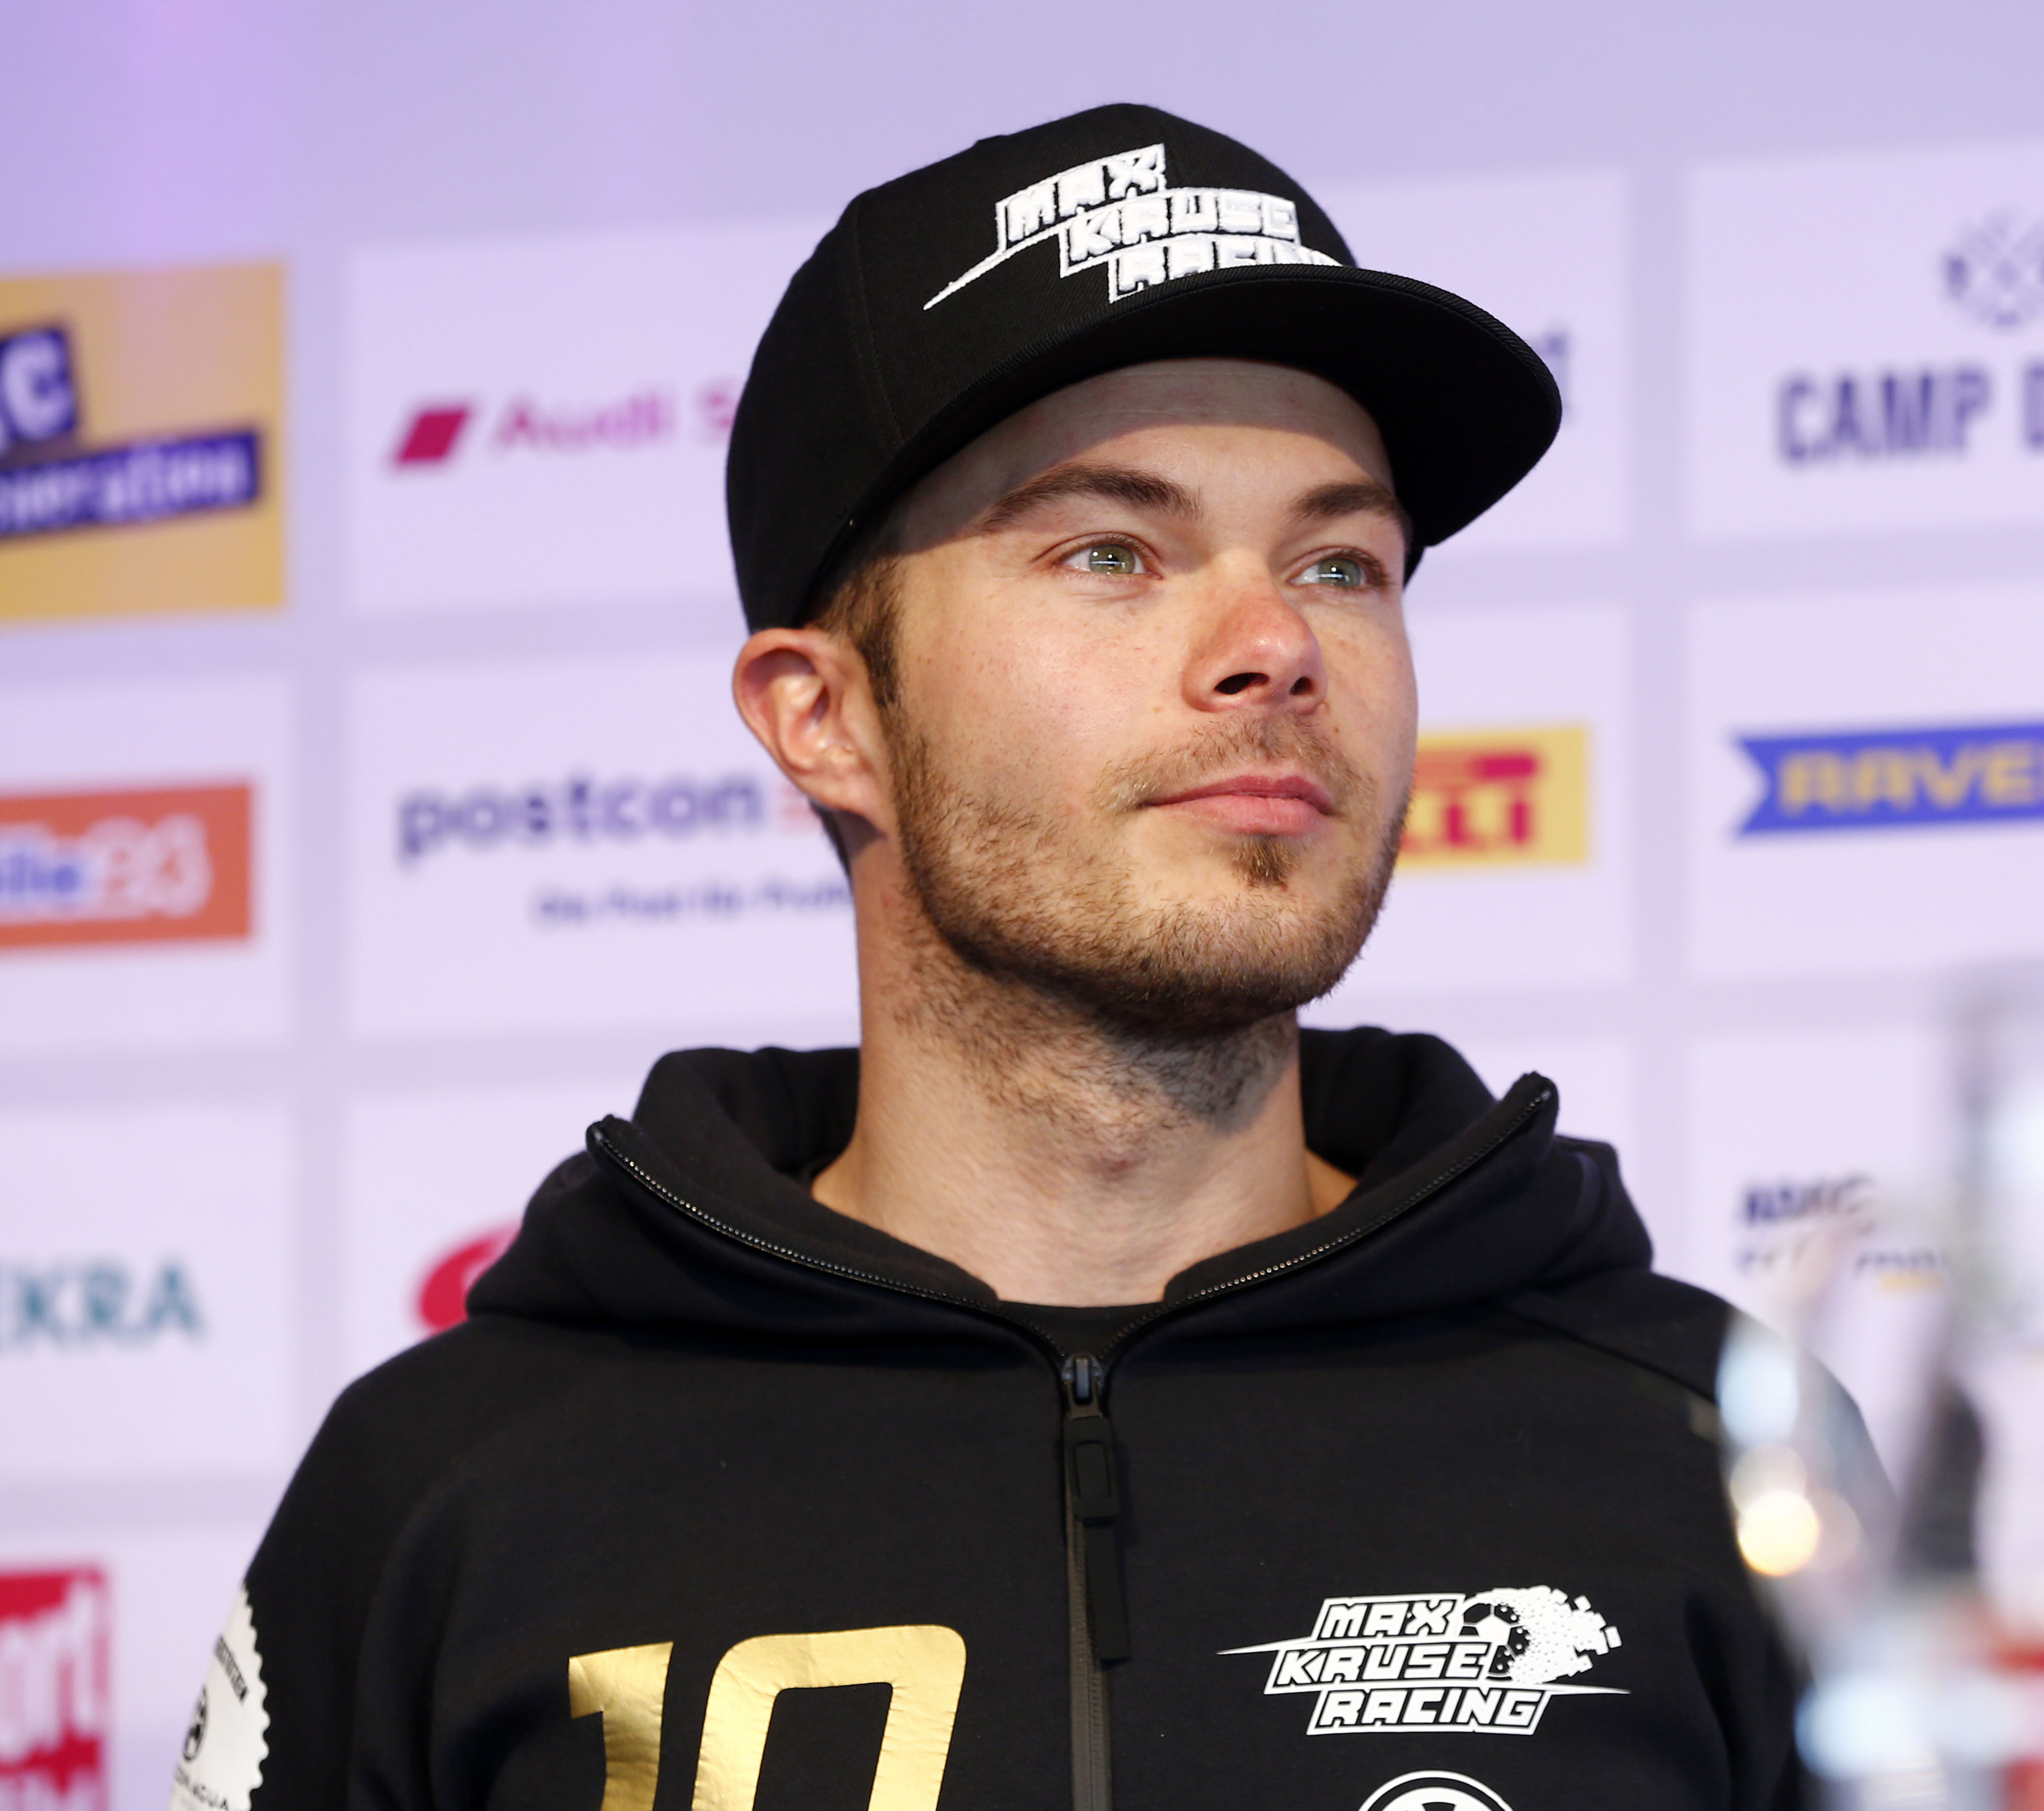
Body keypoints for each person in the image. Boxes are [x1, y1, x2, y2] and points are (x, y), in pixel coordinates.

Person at [174, 104, 1812, 1811]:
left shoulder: (1717, 1461)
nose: (1274, 644)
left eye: (1341, 563)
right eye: (1109, 552)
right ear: (824, 718)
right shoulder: (449, 1497)